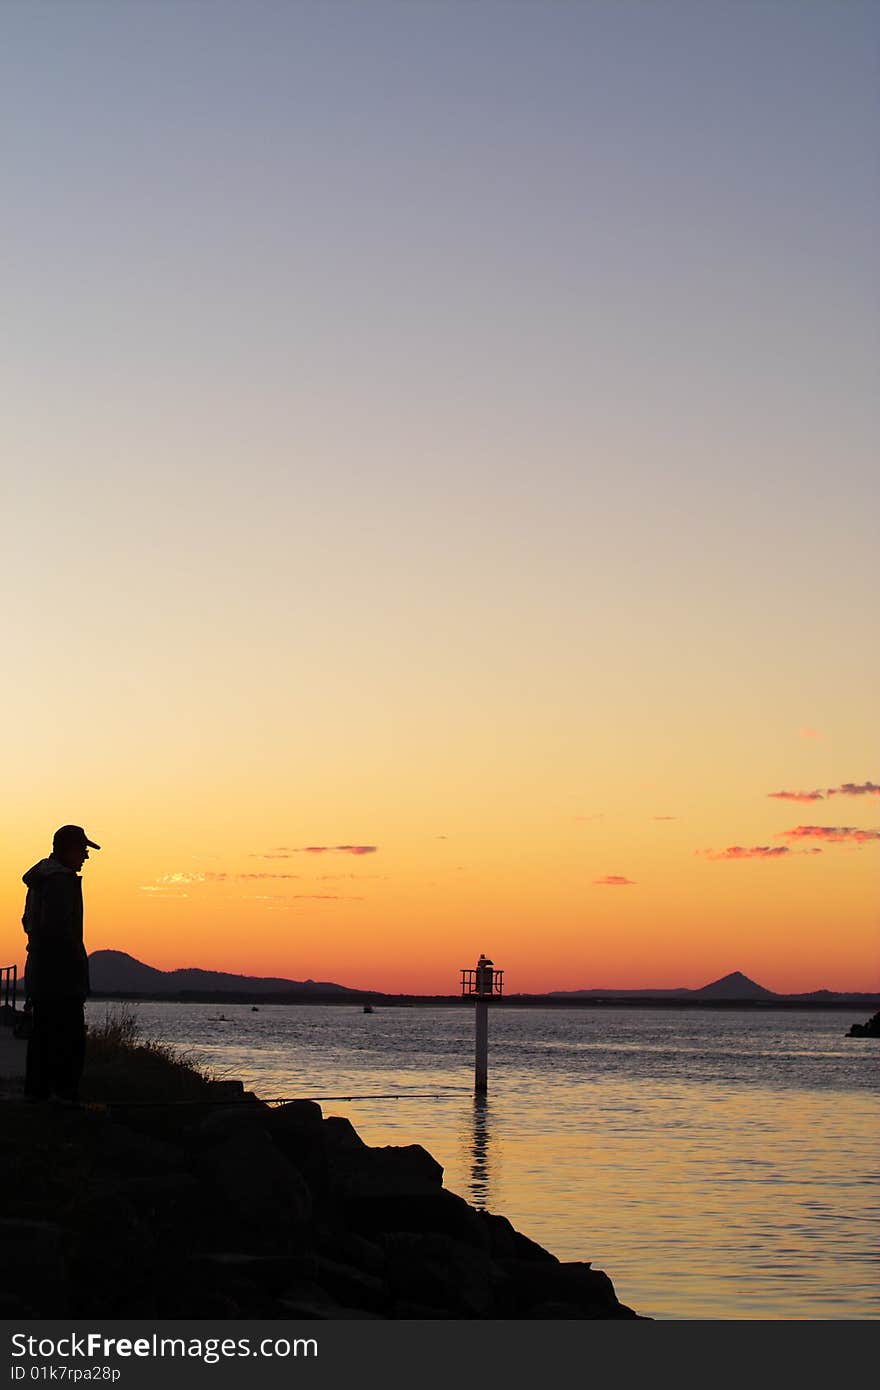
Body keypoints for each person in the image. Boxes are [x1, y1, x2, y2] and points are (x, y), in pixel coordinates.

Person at [21, 824, 100, 1102]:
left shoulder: (43, 881)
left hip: (43, 973)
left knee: (44, 1036)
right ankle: (63, 1098)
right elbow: (57, 933)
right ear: (67, 849)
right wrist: (72, 973)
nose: (86, 857)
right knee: (67, 1041)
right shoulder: (59, 883)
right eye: (83, 850)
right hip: (58, 976)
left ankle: (39, 1095)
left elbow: (32, 926)